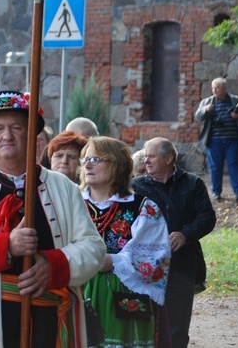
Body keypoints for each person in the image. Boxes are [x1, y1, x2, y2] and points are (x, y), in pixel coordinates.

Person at [0, 90, 105, 347]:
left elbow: (93, 250)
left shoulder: (64, 187)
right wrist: (7, 246)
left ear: (33, 137)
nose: (7, 135)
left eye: (16, 127)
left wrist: (53, 266)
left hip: (51, 321)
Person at [80, 136, 171, 347]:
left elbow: (156, 256)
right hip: (78, 287)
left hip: (124, 293)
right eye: (85, 159)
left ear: (116, 164)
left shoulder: (142, 207)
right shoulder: (72, 202)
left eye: (95, 159)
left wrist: (113, 261)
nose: (87, 164)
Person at [133, 137, 216, 348]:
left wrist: (185, 234)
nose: (147, 161)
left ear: (168, 158)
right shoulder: (137, 186)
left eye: (152, 156)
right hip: (145, 266)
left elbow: (207, 217)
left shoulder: (192, 183)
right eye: (145, 156)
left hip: (182, 265)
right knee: (144, 323)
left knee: (177, 327)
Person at [194, 77, 238, 202]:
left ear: (224, 89)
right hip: (214, 140)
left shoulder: (235, 101)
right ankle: (216, 192)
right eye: (213, 88)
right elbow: (198, 116)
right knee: (215, 166)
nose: (214, 90)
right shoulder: (207, 101)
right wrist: (205, 110)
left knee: (234, 165)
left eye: (217, 88)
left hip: (233, 139)